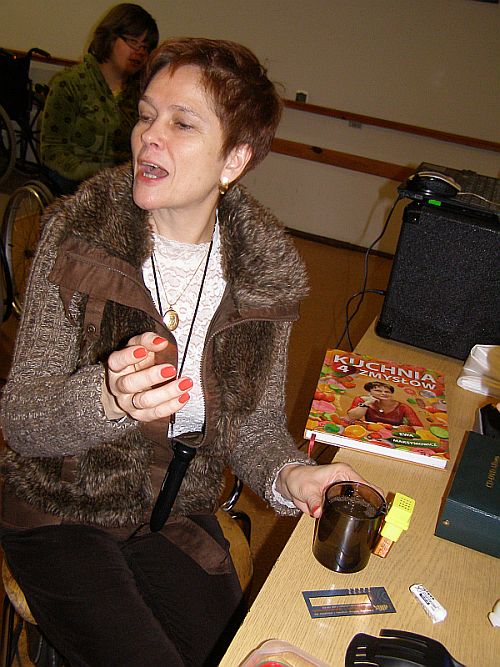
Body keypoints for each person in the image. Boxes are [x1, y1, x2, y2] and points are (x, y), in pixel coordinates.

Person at [0, 38, 379, 667]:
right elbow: (21, 421)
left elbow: (254, 430)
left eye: (182, 124)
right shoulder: (78, 238)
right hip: (60, 510)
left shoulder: (264, 279)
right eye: (147, 115)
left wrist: (292, 476)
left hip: (172, 509)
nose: (149, 136)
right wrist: (105, 398)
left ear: (235, 158)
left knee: (245, 653)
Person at [40, 3, 158, 194]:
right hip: (73, 182)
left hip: (120, 183)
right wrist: (96, 177)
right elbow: (52, 151)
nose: (140, 52)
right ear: (110, 38)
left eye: (146, 47)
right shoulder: (70, 83)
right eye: (133, 42)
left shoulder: (142, 93)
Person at [347, 381, 423, 427]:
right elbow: (352, 417)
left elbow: (417, 426)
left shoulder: (403, 407)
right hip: (370, 431)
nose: (383, 394)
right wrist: (367, 403)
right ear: (370, 392)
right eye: (378, 391)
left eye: (387, 392)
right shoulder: (361, 400)